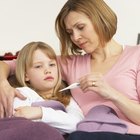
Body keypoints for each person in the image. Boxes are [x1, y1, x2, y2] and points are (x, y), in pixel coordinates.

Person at [0, 0, 140, 139]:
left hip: (129, 134)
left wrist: (111, 94)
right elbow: (12, 64)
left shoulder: (136, 55)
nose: (75, 38)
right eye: (70, 32)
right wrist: (3, 84)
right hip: (85, 134)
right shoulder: (70, 63)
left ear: (101, 19)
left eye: (80, 27)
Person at [10, 41, 84, 135]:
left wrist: (40, 112)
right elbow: (23, 121)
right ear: (26, 75)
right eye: (38, 66)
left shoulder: (67, 98)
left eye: (52, 65)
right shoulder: (22, 93)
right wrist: (62, 122)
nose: (47, 70)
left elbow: (77, 125)